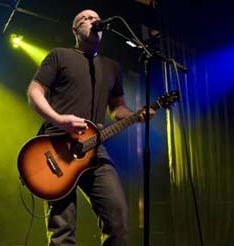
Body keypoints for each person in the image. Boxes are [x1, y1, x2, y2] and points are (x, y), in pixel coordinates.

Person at [27, 9, 153, 246]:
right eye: (85, 18)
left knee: (118, 220)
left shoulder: (111, 67)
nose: (93, 21)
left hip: (95, 150)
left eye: (96, 18)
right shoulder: (59, 56)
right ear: (75, 30)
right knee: (62, 232)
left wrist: (136, 115)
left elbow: (117, 110)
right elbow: (34, 93)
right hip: (56, 147)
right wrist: (59, 119)